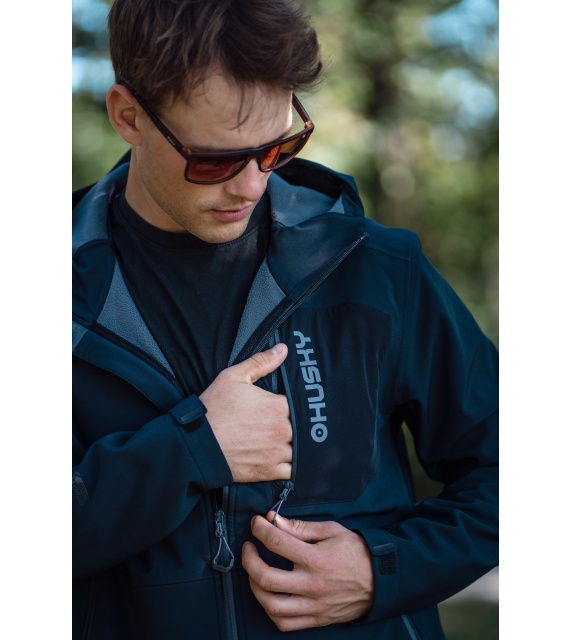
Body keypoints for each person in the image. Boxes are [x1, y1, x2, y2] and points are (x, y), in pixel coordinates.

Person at [72, 0, 499, 638]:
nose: (252, 185)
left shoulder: (376, 268)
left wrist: (386, 570)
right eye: (214, 159)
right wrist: (190, 451)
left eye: (277, 147)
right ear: (128, 116)